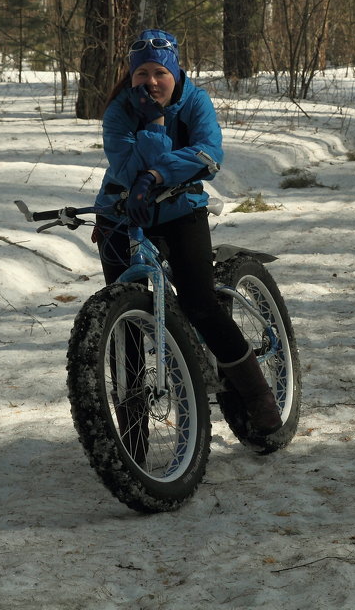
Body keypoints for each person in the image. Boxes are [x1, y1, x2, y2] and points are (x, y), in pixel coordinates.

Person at [92, 29, 282, 438]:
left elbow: (208, 154)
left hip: (181, 209)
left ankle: (258, 397)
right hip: (122, 212)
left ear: (175, 70)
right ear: (131, 76)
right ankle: (133, 429)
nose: (151, 81)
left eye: (160, 71)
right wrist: (152, 128)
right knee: (120, 318)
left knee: (200, 304)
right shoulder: (119, 110)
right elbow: (123, 169)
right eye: (141, 72)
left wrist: (158, 168)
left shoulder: (195, 100)